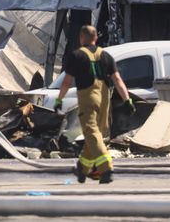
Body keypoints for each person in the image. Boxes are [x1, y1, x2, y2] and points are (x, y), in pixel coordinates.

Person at [55, 25, 133, 184]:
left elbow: (67, 82)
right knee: (96, 134)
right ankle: (82, 169)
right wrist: (127, 100)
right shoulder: (106, 55)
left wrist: (59, 99)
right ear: (95, 38)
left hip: (88, 98)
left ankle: (106, 167)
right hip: (105, 99)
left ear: (81, 38)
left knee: (91, 132)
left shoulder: (76, 56)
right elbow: (117, 80)